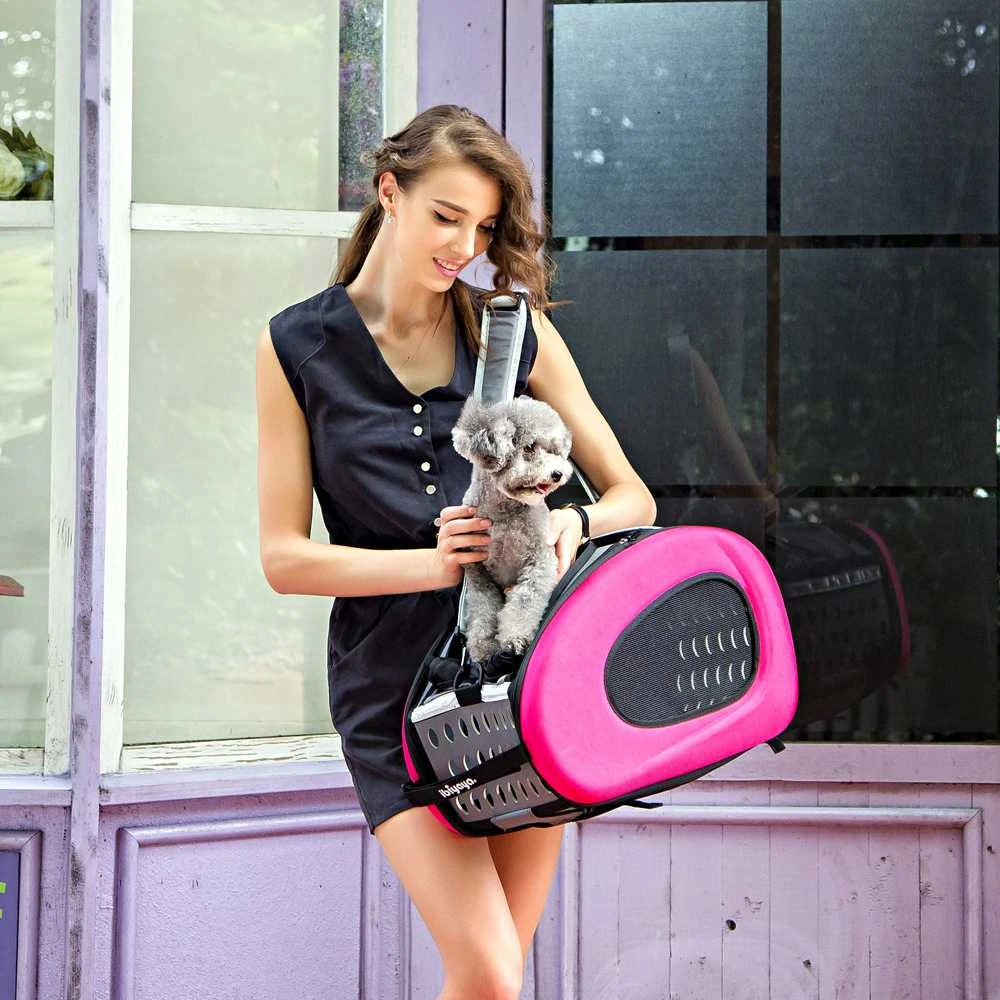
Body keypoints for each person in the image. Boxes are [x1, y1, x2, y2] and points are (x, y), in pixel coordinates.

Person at [255, 104, 655, 1000]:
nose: (465, 246)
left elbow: (633, 495)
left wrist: (572, 525)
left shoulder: (511, 333)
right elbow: (285, 558)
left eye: (481, 227)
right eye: (446, 216)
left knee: (496, 976)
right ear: (388, 191)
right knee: (486, 968)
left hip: (523, 674)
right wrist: (434, 565)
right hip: (390, 687)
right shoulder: (297, 347)